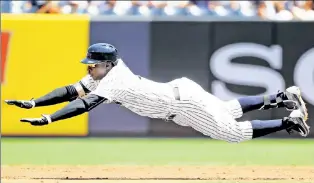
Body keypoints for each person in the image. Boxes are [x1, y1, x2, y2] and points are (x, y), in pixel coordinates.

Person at [5, 43, 310, 143]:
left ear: (107, 64)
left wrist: (47, 120)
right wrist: (35, 102)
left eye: (93, 65)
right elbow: (71, 91)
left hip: (181, 104)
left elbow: (82, 105)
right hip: (181, 91)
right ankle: (281, 97)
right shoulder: (109, 72)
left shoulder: (114, 80)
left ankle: (290, 120)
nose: (89, 69)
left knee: (232, 133)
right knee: (229, 109)